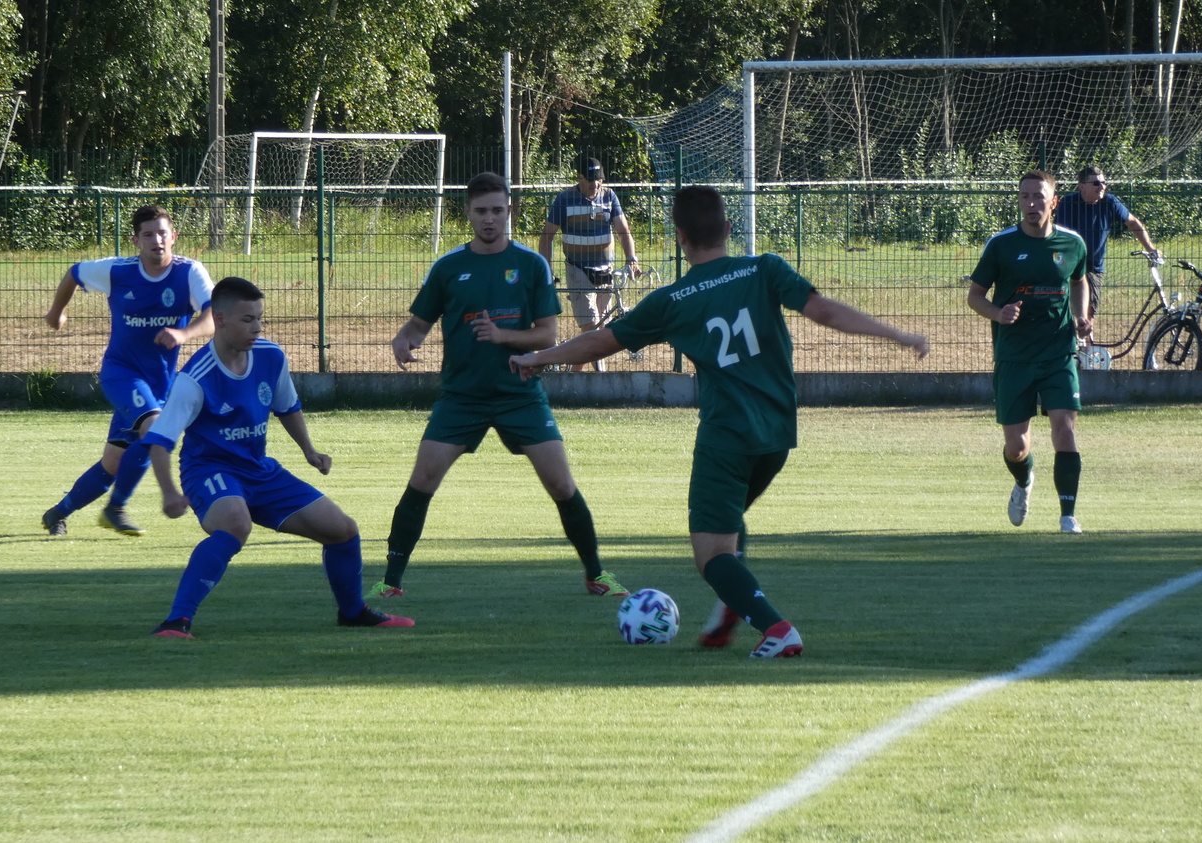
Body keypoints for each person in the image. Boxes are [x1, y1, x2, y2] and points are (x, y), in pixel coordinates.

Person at [508, 185, 930, 658]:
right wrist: (897, 334)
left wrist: (538, 358)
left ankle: (776, 629)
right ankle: (731, 608)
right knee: (728, 523)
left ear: (680, 237)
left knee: (711, 554)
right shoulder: (765, 268)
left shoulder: (673, 299)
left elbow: (600, 341)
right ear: (728, 229)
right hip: (776, 435)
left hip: (726, 436)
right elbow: (824, 310)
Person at [365, 171, 628, 601]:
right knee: (422, 480)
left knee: (562, 486)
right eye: (481, 211)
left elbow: (547, 335)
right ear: (468, 213)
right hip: (461, 397)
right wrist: (403, 340)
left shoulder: (531, 264)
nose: (490, 219)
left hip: (519, 395)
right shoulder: (449, 267)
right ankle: (390, 582)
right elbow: (417, 325)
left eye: (497, 210)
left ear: (509, 211)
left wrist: (502, 335)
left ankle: (597, 574)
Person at [142, 277, 413, 637]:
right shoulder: (195, 378)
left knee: (343, 530)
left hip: (259, 470)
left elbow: (287, 407)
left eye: (260, 318)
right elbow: (160, 440)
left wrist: (309, 450)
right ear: (220, 320)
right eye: (247, 320)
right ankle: (176, 622)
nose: (257, 328)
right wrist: (169, 493)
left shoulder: (270, 356)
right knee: (235, 524)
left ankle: (353, 613)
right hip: (208, 471)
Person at [40, 206, 214, 538]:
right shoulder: (118, 271)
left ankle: (57, 513)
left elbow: (213, 316)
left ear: (173, 237)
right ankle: (119, 508)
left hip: (159, 383)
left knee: (114, 462)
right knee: (155, 429)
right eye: (148, 235)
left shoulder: (189, 272)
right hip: (120, 373)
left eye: (162, 233)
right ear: (136, 241)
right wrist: (55, 312)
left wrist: (184, 333)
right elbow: (74, 273)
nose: (157, 240)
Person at [968, 170, 1091, 535]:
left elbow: (1079, 280)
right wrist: (998, 314)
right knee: (1016, 448)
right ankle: (1024, 481)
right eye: (1024, 197)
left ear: (1054, 202)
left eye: (1038, 196)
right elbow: (975, 297)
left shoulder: (1072, 243)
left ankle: (1068, 516)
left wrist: (1081, 316)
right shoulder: (1001, 245)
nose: (1031, 203)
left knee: (1064, 429)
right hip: (1014, 357)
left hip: (1058, 353)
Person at [539, 156, 641, 371]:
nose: (596, 184)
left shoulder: (609, 196)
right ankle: (600, 376)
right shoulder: (565, 199)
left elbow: (623, 230)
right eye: (591, 179)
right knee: (591, 328)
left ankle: (573, 374)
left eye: (599, 179)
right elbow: (547, 235)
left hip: (606, 271)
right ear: (579, 177)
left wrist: (631, 258)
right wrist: (547, 269)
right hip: (578, 270)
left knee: (597, 331)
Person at [1053, 165, 1160, 322]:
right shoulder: (1068, 204)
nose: (1102, 186)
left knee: (1089, 313)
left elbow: (1132, 222)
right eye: (1096, 183)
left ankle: (1086, 337)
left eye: (1103, 182)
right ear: (1082, 187)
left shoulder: (1110, 202)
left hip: (1094, 266)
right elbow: (1059, 236)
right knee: (1062, 310)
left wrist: (1150, 248)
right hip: (1070, 264)